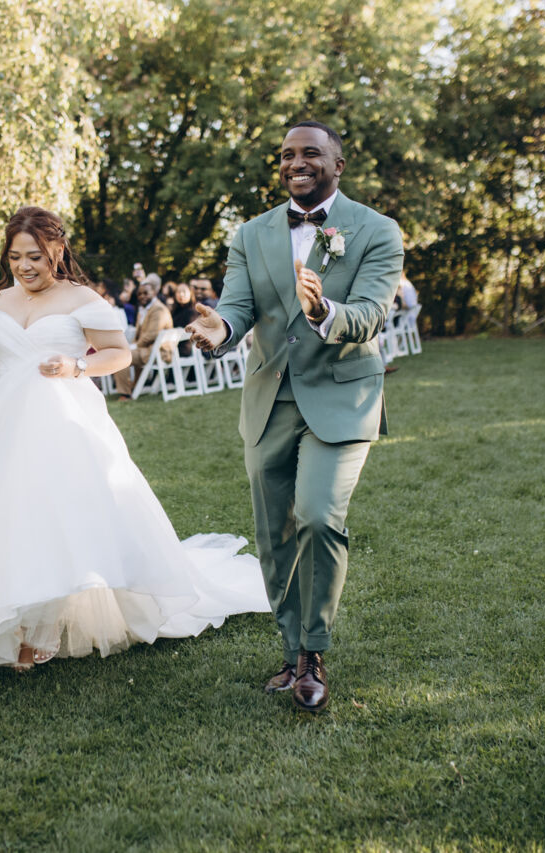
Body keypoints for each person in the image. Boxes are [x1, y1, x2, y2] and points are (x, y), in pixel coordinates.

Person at [0, 206, 267, 670]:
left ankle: (41, 627)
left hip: (63, 420)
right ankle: (2, 612)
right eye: (15, 257)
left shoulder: (82, 299)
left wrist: (77, 365)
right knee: (4, 516)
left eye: (34, 256)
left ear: (57, 250)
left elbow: (119, 354)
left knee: (57, 516)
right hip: (2, 423)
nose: (24, 266)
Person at [186, 120, 403, 713]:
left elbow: (370, 314)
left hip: (341, 398)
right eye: (286, 155)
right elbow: (236, 306)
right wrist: (220, 330)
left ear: (338, 164)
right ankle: (289, 652)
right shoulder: (251, 233)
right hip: (269, 400)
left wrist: (323, 308)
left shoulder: (376, 230)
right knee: (273, 534)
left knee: (319, 517)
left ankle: (313, 654)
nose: (296, 163)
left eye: (310, 153)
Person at [113, 280, 174, 399]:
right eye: (139, 294)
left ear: (154, 293)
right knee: (123, 353)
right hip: (147, 349)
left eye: (146, 293)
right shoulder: (143, 309)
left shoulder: (159, 310)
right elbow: (139, 334)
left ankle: (125, 394)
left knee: (121, 356)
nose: (142, 296)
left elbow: (151, 335)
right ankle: (133, 387)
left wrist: (134, 346)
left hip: (158, 352)